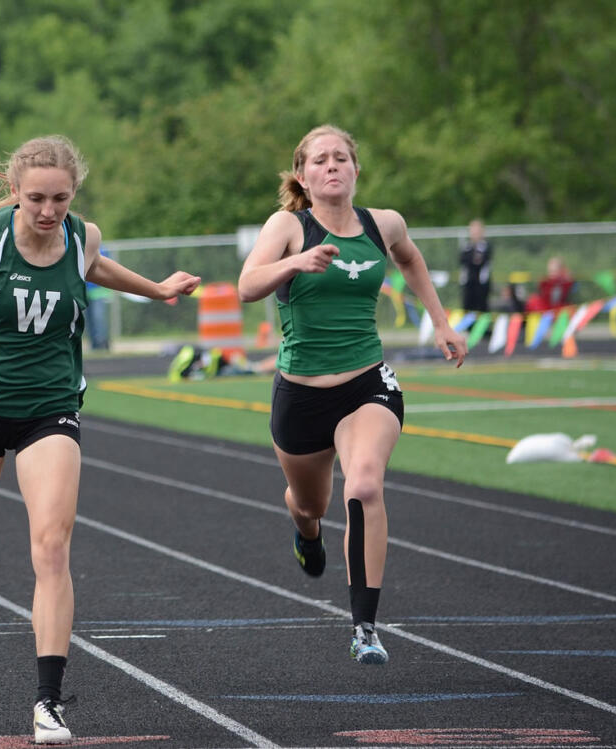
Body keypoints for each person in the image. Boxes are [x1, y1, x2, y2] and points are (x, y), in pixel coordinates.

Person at [0, 135, 199, 744]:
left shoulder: (85, 236)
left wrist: (157, 289)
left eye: (60, 198)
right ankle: (44, 693)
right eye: (36, 199)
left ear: (73, 193)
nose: (48, 210)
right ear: (13, 192)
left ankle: (48, 703)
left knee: (52, 545)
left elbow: (93, 268)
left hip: (50, 410)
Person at [237, 124, 467, 666]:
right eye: (321, 160)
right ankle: (305, 530)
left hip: (366, 383)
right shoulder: (288, 226)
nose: (333, 165)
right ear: (303, 175)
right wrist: (296, 262)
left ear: (356, 170)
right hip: (301, 395)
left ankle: (365, 627)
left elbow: (410, 259)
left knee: (363, 484)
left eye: (342, 158)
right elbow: (247, 286)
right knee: (310, 503)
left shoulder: (382, 224)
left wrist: (441, 322)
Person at [458, 218, 492, 312]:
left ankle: (483, 326)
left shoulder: (486, 246)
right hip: (469, 281)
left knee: (481, 307)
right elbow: (463, 260)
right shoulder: (466, 246)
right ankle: (468, 326)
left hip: (481, 283)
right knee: (467, 306)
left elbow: (483, 260)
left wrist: (476, 261)